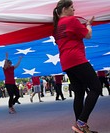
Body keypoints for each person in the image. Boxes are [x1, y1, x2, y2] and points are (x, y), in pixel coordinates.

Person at [53, 0, 101, 133]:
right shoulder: (71, 20)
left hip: (66, 62)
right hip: (76, 58)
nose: (74, 10)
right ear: (64, 9)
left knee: (79, 93)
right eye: (72, 7)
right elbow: (88, 35)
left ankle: (80, 129)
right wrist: (89, 25)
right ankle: (81, 122)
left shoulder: (56, 26)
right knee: (96, 87)